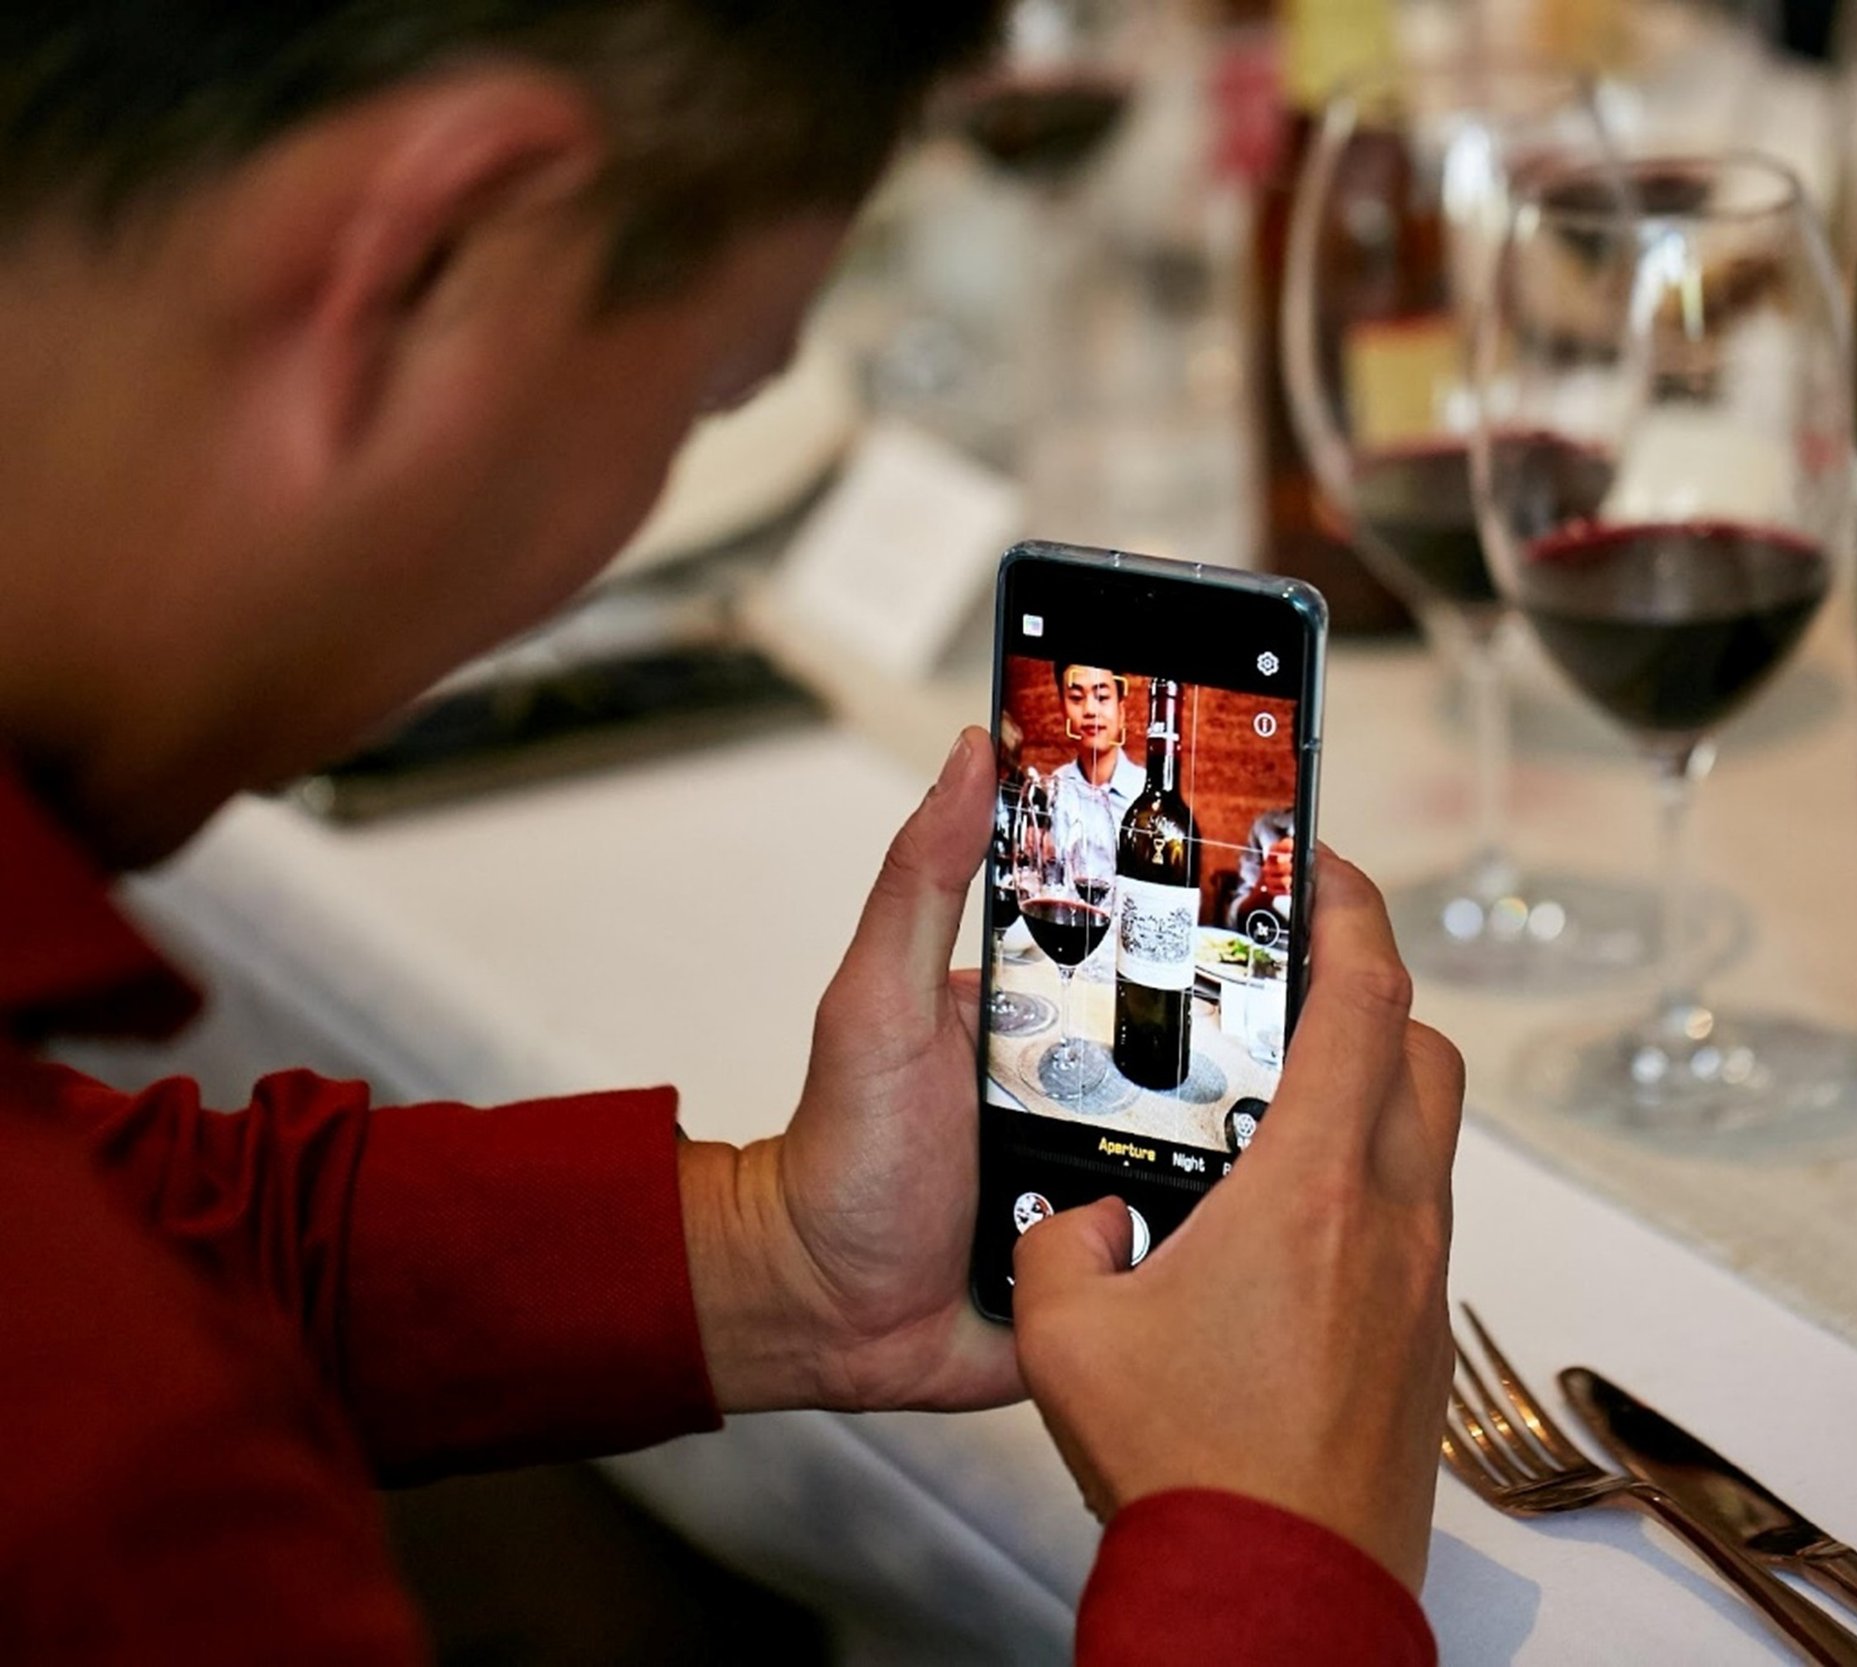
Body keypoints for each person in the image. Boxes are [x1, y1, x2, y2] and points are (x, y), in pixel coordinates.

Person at [0, 8, 1462, 1665]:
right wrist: (1276, 1563)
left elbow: (136, 1214)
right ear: (427, 259)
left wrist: (774, 1252)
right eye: (708, 392)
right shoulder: (100, 1477)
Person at [1049, 661, 1147, 878]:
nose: (1091, 710)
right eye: (1076, 698)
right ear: (1063, 710)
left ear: (1121, 711)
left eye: (1102, 697)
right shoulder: (1053, 789)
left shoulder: (1146, 796)